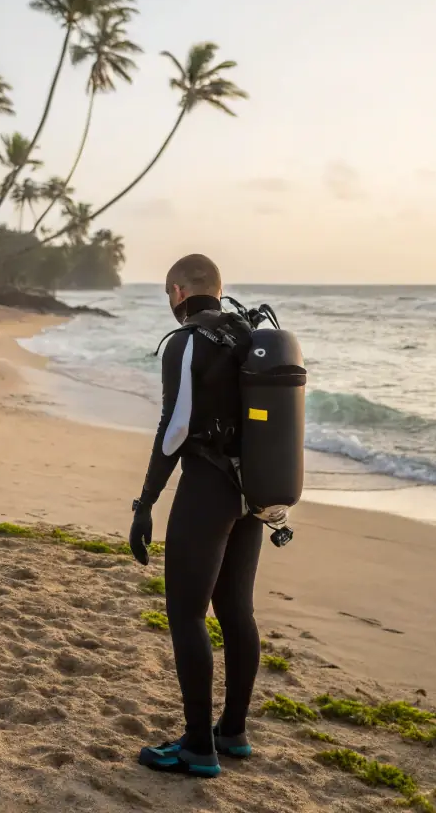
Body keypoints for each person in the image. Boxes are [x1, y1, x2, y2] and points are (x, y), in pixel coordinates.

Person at [129, 254, 261, 778]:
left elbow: (174, 428)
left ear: (180, 291)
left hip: (207, 491)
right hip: (252, 494)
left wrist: (145, 503)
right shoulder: (247, 334)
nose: (169, 303)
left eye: (168, 294)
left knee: (187, 614)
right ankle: (233, 733)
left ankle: (197, 747)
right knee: (236, 612)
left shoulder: (186, 342)